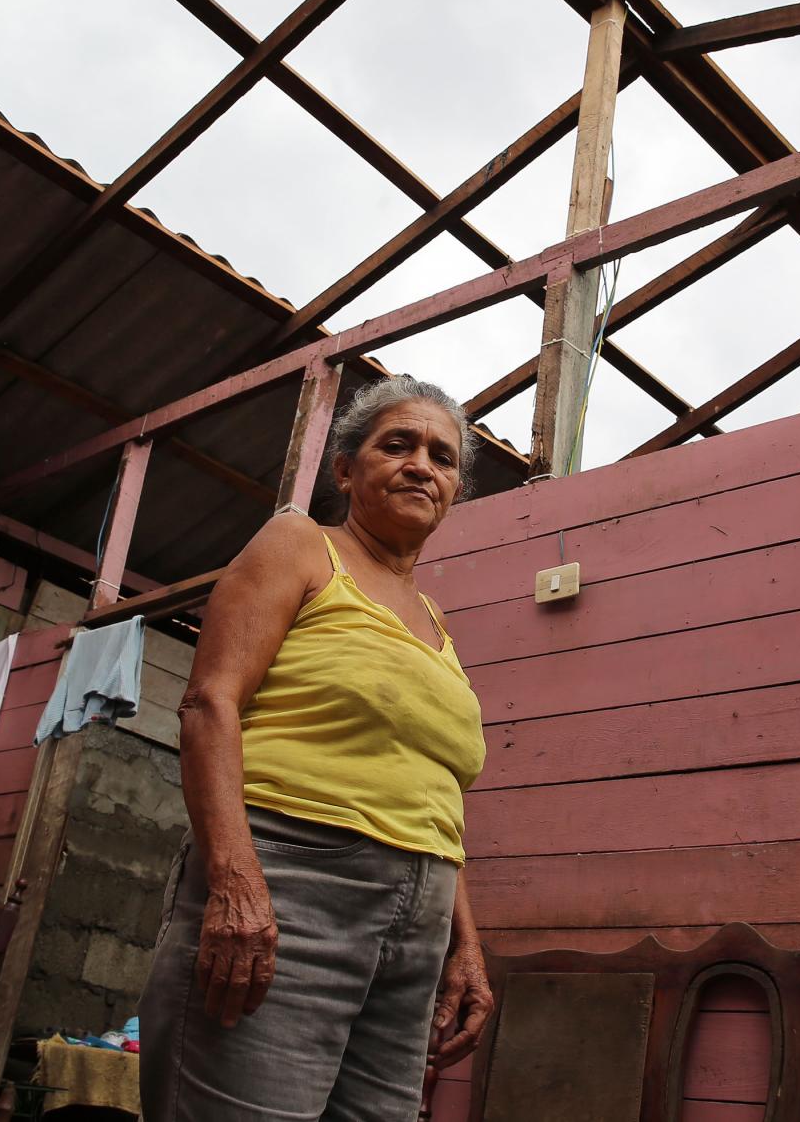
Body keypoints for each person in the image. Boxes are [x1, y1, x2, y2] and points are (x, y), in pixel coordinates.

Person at [139, 375, 495, 1121]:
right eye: (397, 445)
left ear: (455, 491)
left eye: (441, 456)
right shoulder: (300, 545)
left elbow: (433, 791)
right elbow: (210, 703)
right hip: (289, 893)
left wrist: (464, 944)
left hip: (415, 931)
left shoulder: (435, 621)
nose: (421, 465)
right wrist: (235, 881)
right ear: (345, 470)